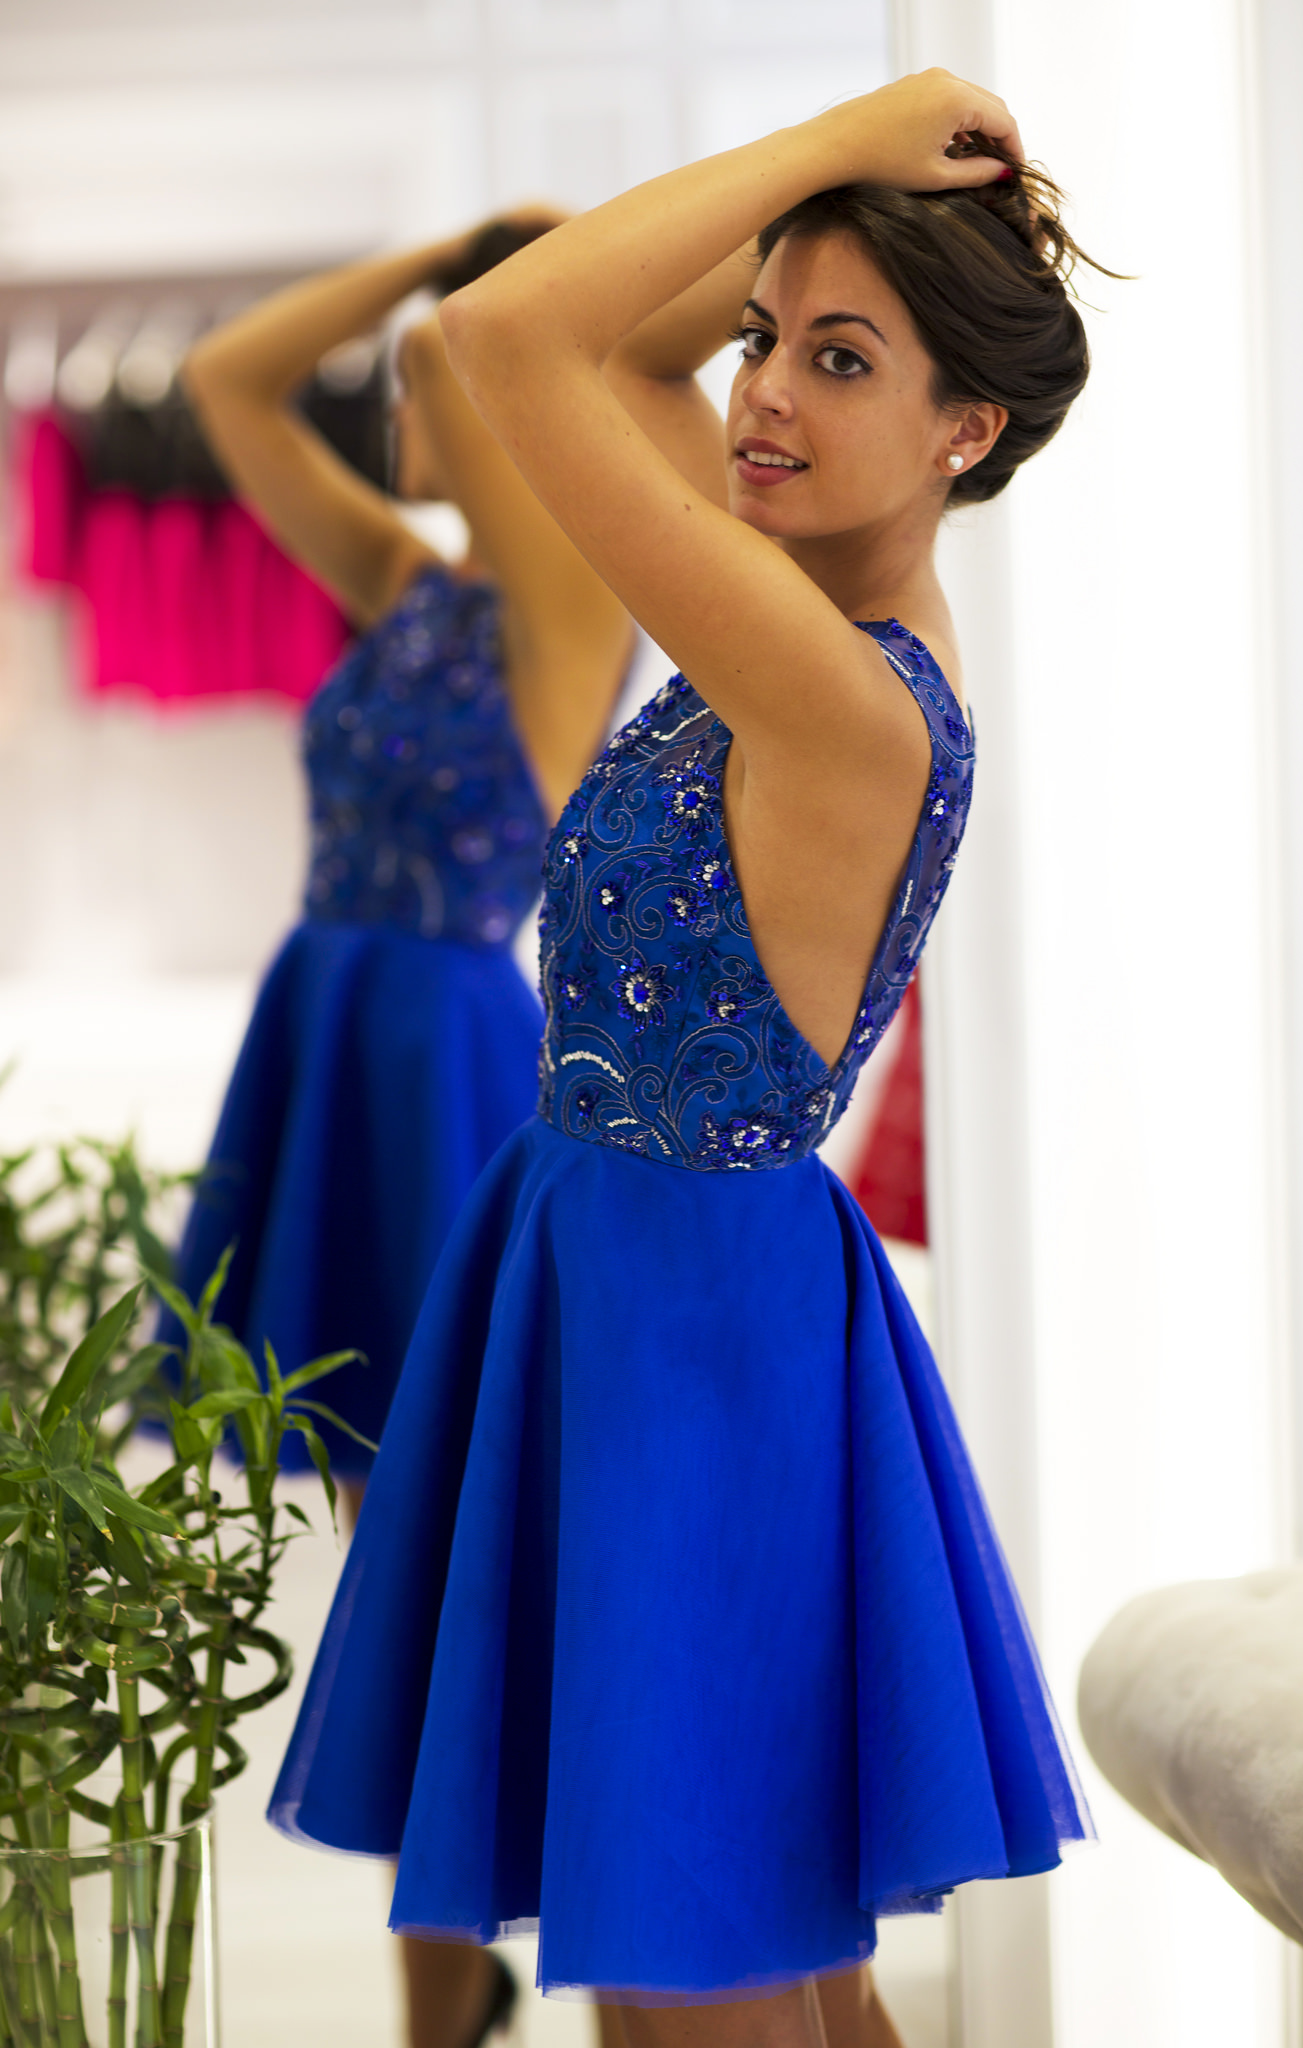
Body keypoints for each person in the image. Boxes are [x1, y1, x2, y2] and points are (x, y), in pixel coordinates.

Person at [270, 72, 1101, 2048]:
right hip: (647, 1293)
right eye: (766, 342)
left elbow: (509, 334)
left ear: (963, 427)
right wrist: (830, 229)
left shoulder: (829, 686)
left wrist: (845, 139)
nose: (761, 397)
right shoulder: (802, 617)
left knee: (690, 1990)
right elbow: (622, 337)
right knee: (769, 1966)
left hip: (681, 1349)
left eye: (840, 359)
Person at [170, 216, 633, 2048]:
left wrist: (483, 312)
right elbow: (227, 384)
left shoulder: (572, 601)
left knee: (464, 1585)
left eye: (439, 369)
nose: (402, 399)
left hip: (439, 1065)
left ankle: (500, 1989)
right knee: (399, 1585)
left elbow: (497, 364)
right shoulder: (411, 583)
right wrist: (431, 255)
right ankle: (442, 2007)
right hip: (334, 1040)